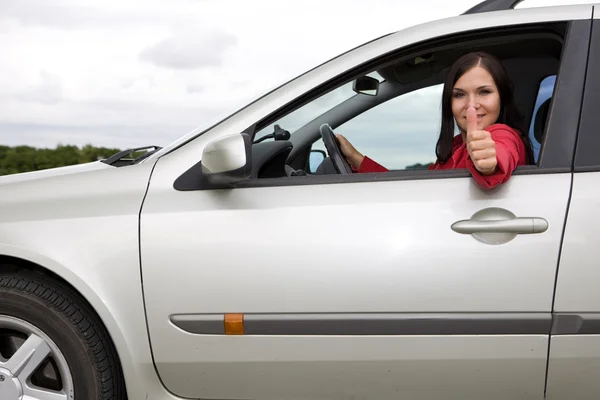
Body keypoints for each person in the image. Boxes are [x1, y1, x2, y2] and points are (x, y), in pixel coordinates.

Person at [335, 51, 534, 189]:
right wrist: (355, 158)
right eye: (459, 95)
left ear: (502, 97)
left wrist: (489, 162)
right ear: (449, 102)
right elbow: (414, 191)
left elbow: (501, 151)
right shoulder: (454, 149)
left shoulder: (504, 136)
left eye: (484, 92)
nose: (471, 105)